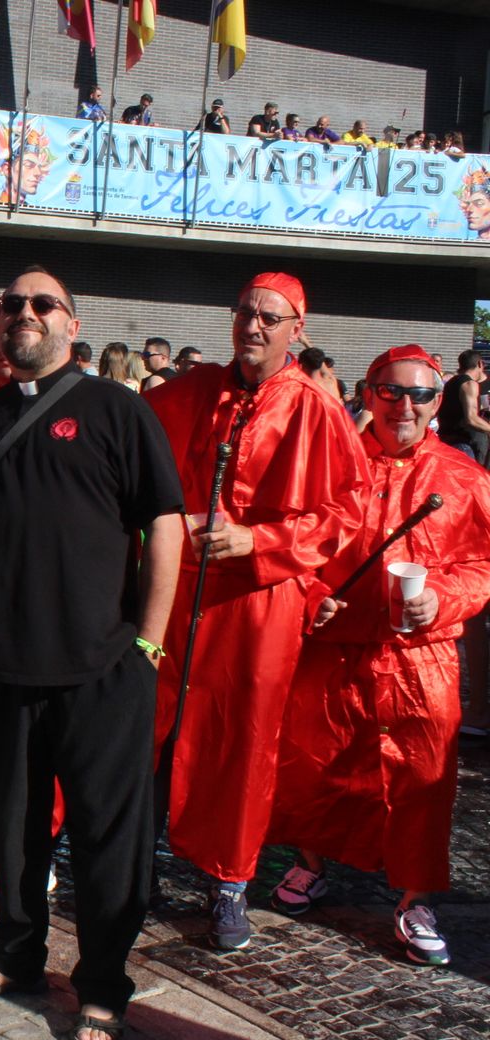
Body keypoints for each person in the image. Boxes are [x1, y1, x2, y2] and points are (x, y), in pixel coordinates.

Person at [0, 268, 183, 1040]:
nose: (25, 313)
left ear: (72, 323)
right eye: (12, 305)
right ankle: (18, 957)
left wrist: (150, 641)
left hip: (103, 670)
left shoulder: (119, 410)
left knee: (108, 840)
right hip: (0, 670)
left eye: (43, 304)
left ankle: (102, 983)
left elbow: (163, 525)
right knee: (13, 833)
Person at [145, 272, 367, 952]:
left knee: (243, 741)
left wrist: (259, 539)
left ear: (296, 328)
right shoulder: (194, 389)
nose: (254, 325)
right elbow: (126, 438)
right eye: (246, 311)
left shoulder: (316, 408)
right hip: (179, 592)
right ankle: (133, 867)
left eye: (270, 316)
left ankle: (229, 882)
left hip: (258, 603)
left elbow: (348, 509)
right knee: (152, 727)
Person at [269, 346, 490, 968]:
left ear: (438, 402)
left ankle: (416, 897)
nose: (404, 405)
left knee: (423, 775)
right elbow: (296, 548)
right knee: (316, 761)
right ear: (367, 394)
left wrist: (444, 597)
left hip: (422, 658)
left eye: (419, 394)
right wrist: (312, 594)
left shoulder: (466, 478)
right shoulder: (331, 469)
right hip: (333, 651)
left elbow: (484, 564)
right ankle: (309, 863)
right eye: (390, 391)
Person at [435, 349, 490, 465]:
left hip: (445, 440)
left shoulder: (451, 382)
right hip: (463, 445)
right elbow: (471, 418)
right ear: (480, 364)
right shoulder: (469, 384)